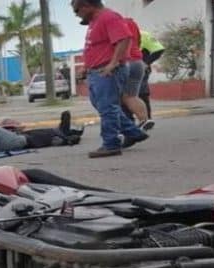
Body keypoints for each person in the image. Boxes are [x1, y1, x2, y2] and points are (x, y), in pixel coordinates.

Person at [71, 0, 149, 158]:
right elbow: (95, 47)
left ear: (87, 5)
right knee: (101, 104)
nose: (76, 14)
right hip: (96, 70)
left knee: (108, 107)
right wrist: (86, 67)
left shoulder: (109, 17)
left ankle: (111, 144)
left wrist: (113, 63)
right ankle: (134, 132)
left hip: (107, 70)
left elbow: (124, 39)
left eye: (77, 10)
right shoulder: (95, 21)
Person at [121, 18, 154, 131]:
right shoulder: (132, 23)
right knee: (132, 96)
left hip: (123, 61)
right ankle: (144, 120)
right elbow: (139, 41)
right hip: (137, 61)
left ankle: (128, 125)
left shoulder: (113, 23)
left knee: (118, 98)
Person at [139, 30, 166, 119]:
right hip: (125, 68)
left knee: (142, 93)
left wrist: (146, 63)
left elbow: (159, 49)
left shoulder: (143, 34)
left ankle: (147, 119)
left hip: (140, 68)